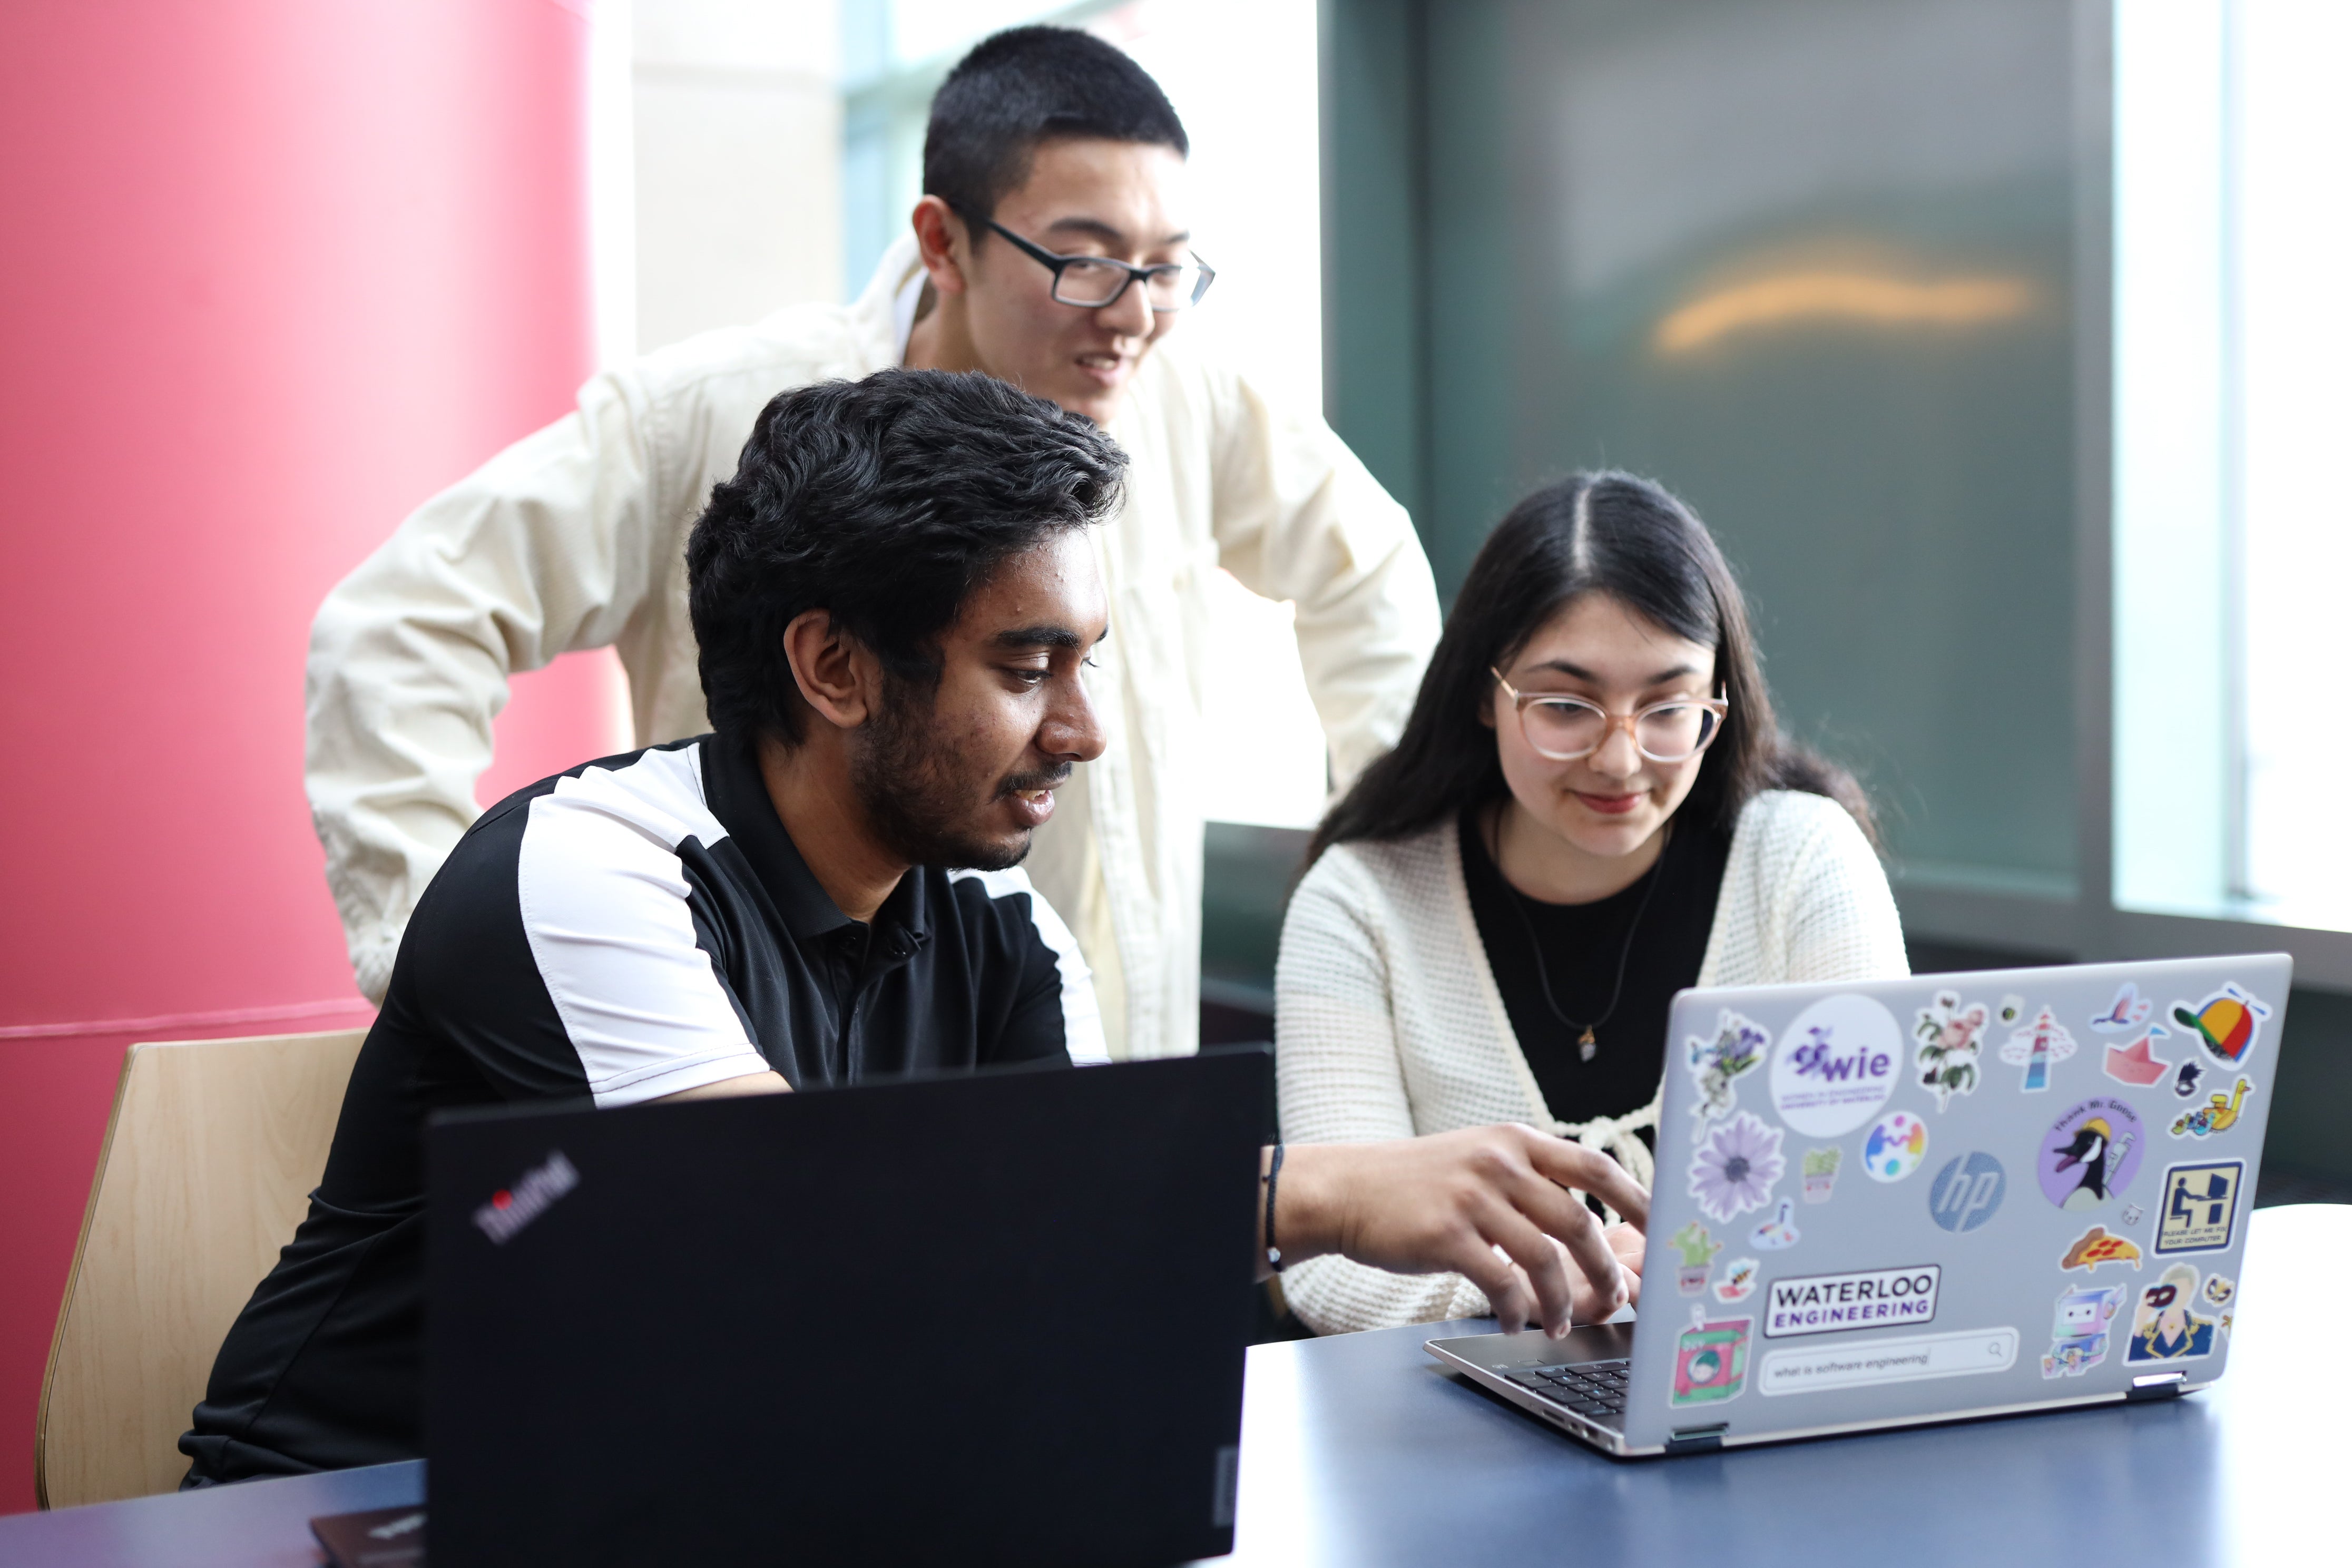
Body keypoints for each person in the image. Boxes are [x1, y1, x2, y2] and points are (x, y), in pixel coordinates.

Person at [186, 372, 1634, 1485]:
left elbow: (1079, 1262)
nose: (1083, 729)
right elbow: (795, 1223)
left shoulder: (1003, 926)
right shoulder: (588, 869)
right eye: (1026, 666)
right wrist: (1315, 1194)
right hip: (358, 1505)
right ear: (833, 667)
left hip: (705, 1499)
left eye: (1089, 662)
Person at [305, 25, 1439, 1062]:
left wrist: (1385, 882)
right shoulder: (711, 412)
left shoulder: (1186, 395)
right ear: (943, 242)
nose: (1135, 313)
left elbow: (1369, 576)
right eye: (1086, 261)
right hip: (764, 1050)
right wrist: (454, 963)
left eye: (1165, 267)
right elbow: (402, 629)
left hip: (1083, 1053)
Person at [1273, 472, 1908, 1336]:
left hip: (1757, 1380)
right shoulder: (1359, 906)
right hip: (1462, 1401)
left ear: (1719, 700)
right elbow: (1327, 1263)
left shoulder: (1804, 861)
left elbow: (1878, 1182)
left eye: (1668, 707)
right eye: (1568, 706)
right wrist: (1536, 1285)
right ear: (1485, 695)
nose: (1620, 759)